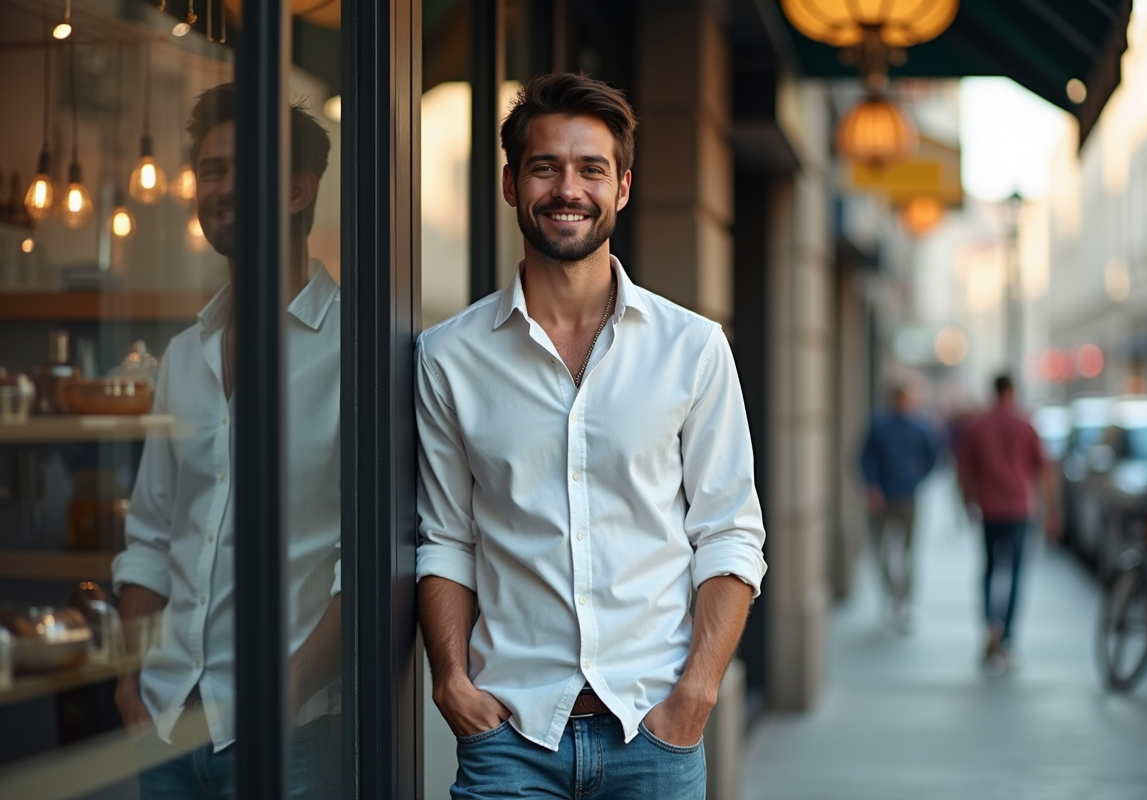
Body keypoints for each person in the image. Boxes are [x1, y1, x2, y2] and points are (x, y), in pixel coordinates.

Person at [416, 72, 768, 800]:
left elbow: (730, 534)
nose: (567, 189)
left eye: (590, 169)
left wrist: (696, 695)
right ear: (511, 184)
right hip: (509, 739)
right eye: (545, 167)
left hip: (654, 735)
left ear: (624, 188)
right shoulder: (449, 356)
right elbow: (446, 537)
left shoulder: (693, 349)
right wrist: (449, 680)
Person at [111, 83, 343, 798]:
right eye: (211, 169)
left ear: (299, 189)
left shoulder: (360, 350)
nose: (225, 186)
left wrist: (290, 688)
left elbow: (369, 563)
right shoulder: (184, 355)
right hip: (167, 726)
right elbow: (151, 535)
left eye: (248, 166)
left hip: (292, 739)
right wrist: (129, 678)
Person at [956, 374, 1060, 674]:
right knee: (1015, 573)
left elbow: (964, 471)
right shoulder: (1026, 425)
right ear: (1012, 391)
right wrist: (1053, 513)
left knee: (989, 570)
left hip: (989, 508)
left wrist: (966, 504)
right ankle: (1008, 639)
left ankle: (991, 625)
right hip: (1019, 509)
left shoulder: (976, 426)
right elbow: (1045, 473)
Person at [858, 383, 938, 628]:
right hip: (881, 499)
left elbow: (933, 457)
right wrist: (871, 486)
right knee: (879, 551)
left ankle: (907, 601)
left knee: (908, 552)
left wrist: (917, 478)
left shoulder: (919, 427)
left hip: (908, 497)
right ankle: (891, 596)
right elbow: (864, 458)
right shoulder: (879, 425)